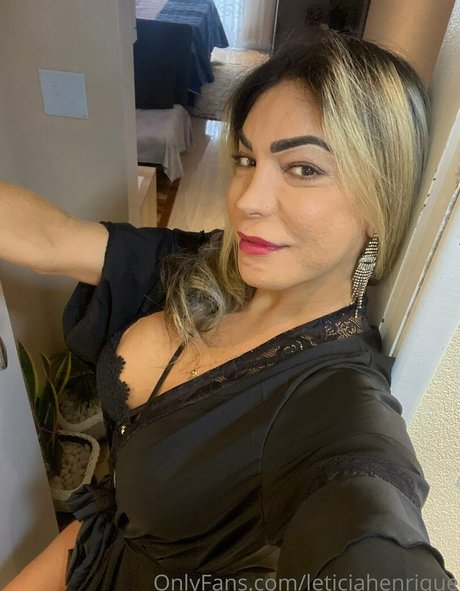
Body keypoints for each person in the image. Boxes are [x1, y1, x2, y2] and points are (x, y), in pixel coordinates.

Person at [1, 28, 458, 591]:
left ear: (378, 197)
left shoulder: (337, 401)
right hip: (85, 554)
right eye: (246, 158)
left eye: (304, 168)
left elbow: (369, 522)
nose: (245, 200)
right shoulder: (205, 265)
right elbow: (48, 238)